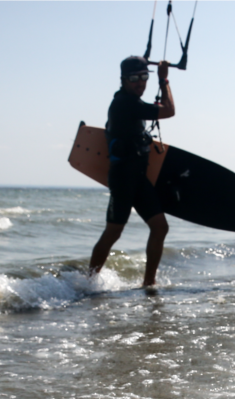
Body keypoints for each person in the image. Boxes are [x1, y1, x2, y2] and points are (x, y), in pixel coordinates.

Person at [89, 56, 175, 288]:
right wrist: (163, 79)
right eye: (135, 78)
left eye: (144, 77)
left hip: (138, 178)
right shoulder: (125, 103)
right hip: (123, 179)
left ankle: (148, 284)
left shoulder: (132, 103)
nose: (141, 83)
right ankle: (89, 282)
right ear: (123, 80)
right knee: (114, 232)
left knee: (160, 227)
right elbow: (168, 110)